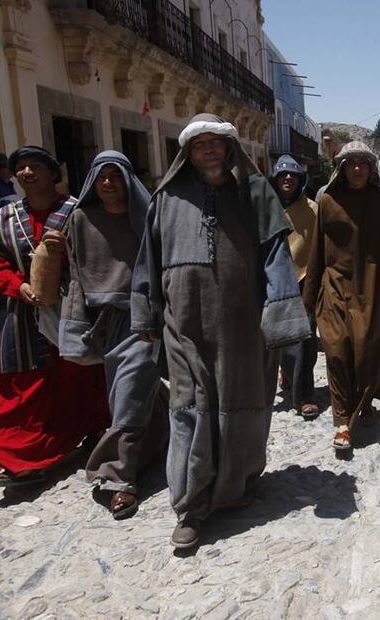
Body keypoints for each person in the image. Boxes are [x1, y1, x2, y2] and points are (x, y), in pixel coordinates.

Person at [132, 114, 309, 548]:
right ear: (187, 153)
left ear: (229, 148)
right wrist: (146, 314)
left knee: (242, 404)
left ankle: (236, 484)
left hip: (242, 326)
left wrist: (281, 313)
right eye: (200, 144)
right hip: (184, 325)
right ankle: (190, 505)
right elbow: (148, 260)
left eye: (216, 143)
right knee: (188, 407)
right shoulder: (167, 198)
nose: (209, 150)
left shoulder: (255, 192)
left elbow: (276, 256)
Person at [0, 146, 110, 487]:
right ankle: (20, 457)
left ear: (54, 173)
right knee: (19, 383)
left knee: (78, 377)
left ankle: (89, 432)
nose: (27, 173)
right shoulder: (6, 217)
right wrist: (18, 285)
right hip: (24, 313)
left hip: (73, 310)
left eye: (35, 166)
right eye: (20, 167)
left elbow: (100, 256)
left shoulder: (78, 211)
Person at [59, 151, 168, 519]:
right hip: (105, 322)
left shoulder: (148, 215)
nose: (108, 183)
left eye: (115, 175)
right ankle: (158, 438)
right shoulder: (80, 219)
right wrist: (76, 322)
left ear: (127, 179)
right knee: (129, 393)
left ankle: (117, 478)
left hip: (143, 318)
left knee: (128, 395)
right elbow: (76, 276)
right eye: (101, 176)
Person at [302, 141, 380, 452]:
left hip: (371, 289)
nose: (358, 169)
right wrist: (309, 297)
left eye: (363, 163)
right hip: (334, 287)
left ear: (371, 167)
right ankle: (342, 423)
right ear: (342, 168)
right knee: (336, 351)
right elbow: (316, 251)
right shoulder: (328, 201)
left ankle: (365, 400)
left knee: (366, 354)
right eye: (351, 163)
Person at [271, 154, 320, 419]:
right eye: (283, 174)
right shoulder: (266, 207)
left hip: (304, 280)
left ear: (301, 180)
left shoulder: (313, 209)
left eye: (293, 174)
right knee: (280, 337)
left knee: (305, 338)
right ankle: (288, 373)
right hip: (274, 280)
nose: (288, 178)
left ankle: (304, 396)